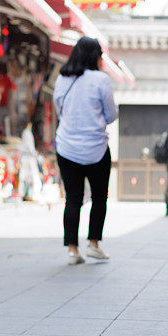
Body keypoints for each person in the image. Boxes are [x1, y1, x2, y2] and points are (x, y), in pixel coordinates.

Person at [53, 37, 118, 265]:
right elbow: (111, 115)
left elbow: (59, 109)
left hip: (67, 146)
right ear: (96, 56)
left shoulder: (63, 78)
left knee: (73, 198)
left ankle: (72, 250)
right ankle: (93, 244)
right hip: (96, 147)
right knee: (100, 197)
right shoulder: (101, 79)